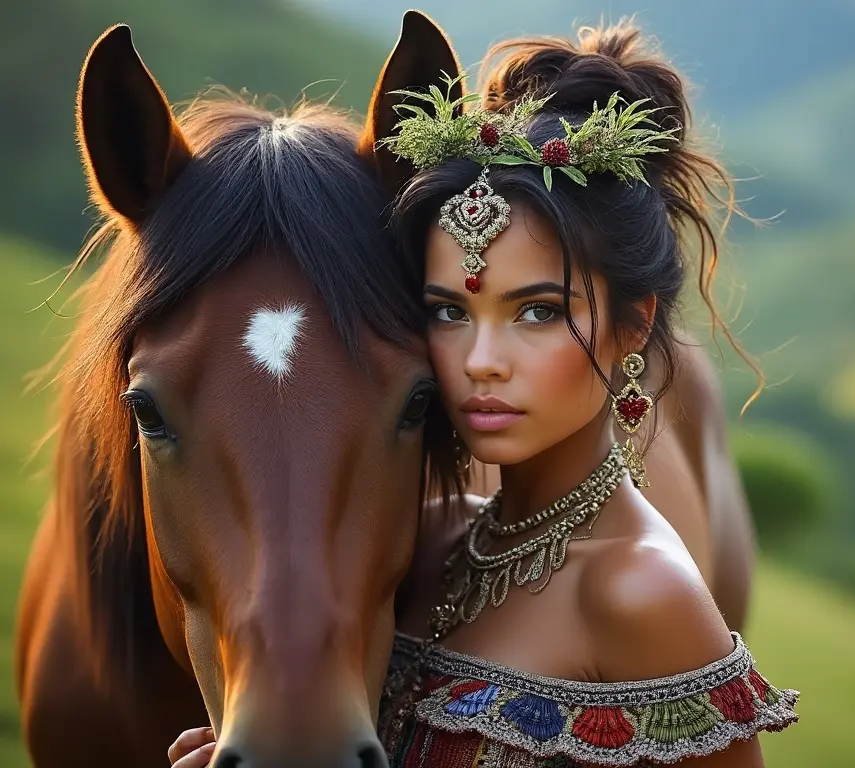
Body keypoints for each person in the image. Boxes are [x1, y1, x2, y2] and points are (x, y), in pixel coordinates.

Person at [170, 20, 797, 768]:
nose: (482, 361)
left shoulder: (643, 596)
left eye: (538, 312)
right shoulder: (422, 543)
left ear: (632, 326)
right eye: (449, 311)